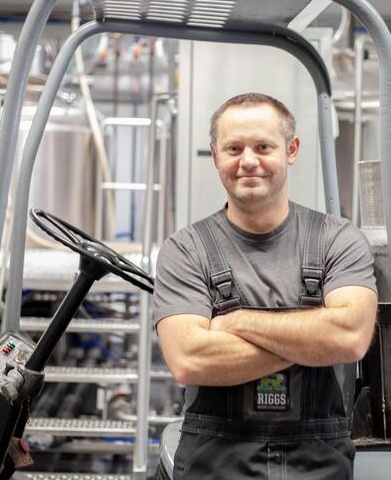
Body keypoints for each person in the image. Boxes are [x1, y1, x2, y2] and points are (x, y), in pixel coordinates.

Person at [153, 93, 378, 479]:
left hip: (317, 464)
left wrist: (236, 323)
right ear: (215, 155)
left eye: (263, 147)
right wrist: (312, 340)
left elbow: (350, 339)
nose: (248, 161)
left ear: (291, 150)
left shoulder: (337, 240)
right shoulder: (186, 249)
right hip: (215, 463)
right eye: (234, 148)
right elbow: (189, 360)